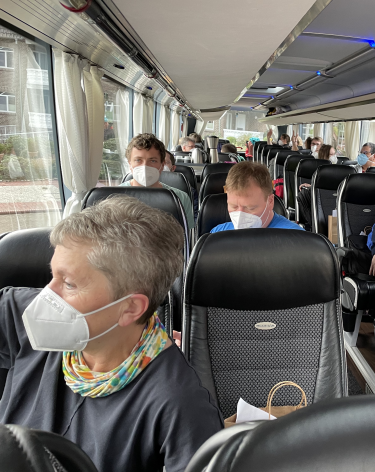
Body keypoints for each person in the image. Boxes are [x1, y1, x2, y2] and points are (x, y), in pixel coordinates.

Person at [0, 196, 223, 472]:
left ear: (130, 307)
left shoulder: (179, 404)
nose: (46, 297)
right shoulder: (21, 314)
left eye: (68, 284)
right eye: (52, 276)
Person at [120, 133, 195, 229]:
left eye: (153, 161)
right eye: (138, 160)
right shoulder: (115, 196)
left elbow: (187, 238)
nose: (145, 166)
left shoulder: (180, 198)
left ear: (162, 165)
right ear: (130, 165)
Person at [211, 162, 304, 232]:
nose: (240, 216)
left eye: (250, 208)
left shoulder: (295, 238)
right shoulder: (217, 235)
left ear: (270, 201)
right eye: (233, 206)